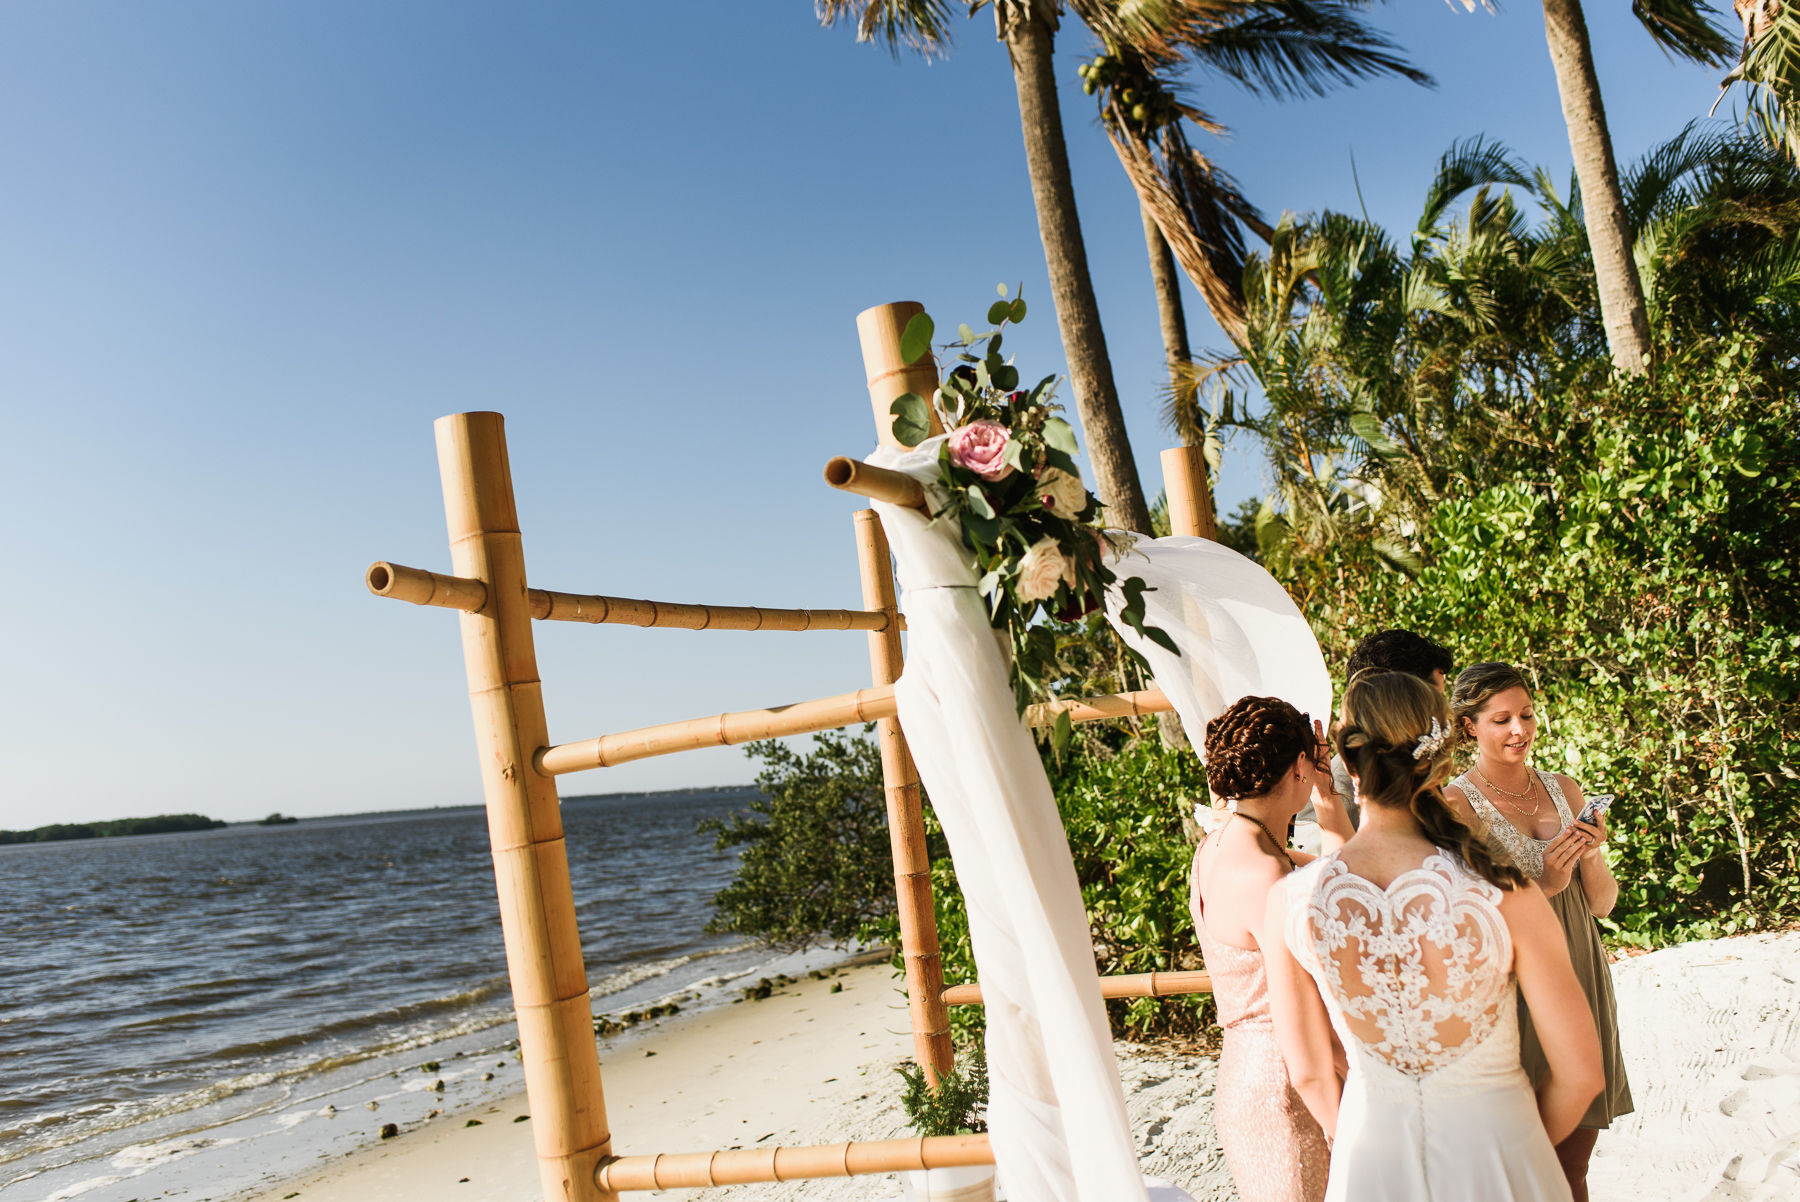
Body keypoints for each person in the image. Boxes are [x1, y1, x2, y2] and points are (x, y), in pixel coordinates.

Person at [1263, 671, 1603, 1201]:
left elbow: (1309, 1074)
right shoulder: (1504, 890)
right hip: (1501, 1155)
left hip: (1370, 1162)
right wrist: (1519, 1148)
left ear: (1349, 764)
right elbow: (1582, 1074)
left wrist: (1363, 1147)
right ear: (1441, 759)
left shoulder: (1291, 901)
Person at [1444, 662, 1633, 1201]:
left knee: (1575, 1164)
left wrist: (1590, 855)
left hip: (1580, 969)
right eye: (1501, 719)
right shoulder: (1456, 805)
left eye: (1526, 715)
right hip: (1515, 985)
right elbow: (1464, 920)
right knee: (1525, 1162)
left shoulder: (1565, 789)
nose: (1519, 730)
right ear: (1468, 727)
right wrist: (1544, 883)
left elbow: (1602, 904)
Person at [1189, 696, 1331, 1202]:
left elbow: (1336, 869)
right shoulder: (1266, 872)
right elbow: (1304, 1000)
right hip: (1287, 1082)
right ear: (1299, 766)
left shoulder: (1220, 844)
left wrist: (1330, 802)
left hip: (1244, 1073)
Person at [1294, 629, 1454, 856]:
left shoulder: (1421, 770)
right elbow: (1324, 877)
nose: (1442, 710)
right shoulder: (1333, 785)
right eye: (1435, 698)